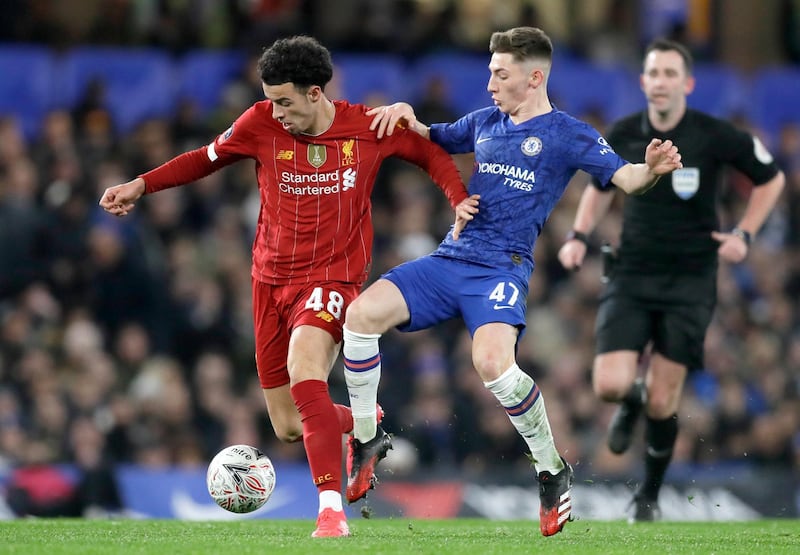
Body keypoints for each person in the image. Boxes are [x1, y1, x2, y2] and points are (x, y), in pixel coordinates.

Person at [98, 35, 473, 538]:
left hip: (331, 281)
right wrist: (140, 184)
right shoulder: (258, 123)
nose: (275, 113)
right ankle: (365, 419)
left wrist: (457, 198)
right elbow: (203, 159)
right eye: (270, 100)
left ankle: (330, 512)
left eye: (285, 102)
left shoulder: (368, 126)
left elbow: (429, 153)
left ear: (316, 94)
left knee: (305, 367)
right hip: (268, 283)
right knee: (288, 425)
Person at [341, 26, 683, 537]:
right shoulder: (484, 121)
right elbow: (435, 136)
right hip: (451, 258)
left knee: (494, 367)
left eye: (501, 74)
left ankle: (550, 468)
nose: (491, 84)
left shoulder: (569, 134)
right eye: (490, 73)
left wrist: (651, 168)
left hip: (502, 268)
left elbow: (628, 178)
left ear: (534, 77)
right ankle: (367, 439)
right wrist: (408, 117)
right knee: (360, 317)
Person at [557, 38, 785, 522]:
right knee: (609, 385)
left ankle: (649, 497)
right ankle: (631, 397)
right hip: (633, 270)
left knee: (666, 398)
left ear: (687, 82)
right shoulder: (622, 132)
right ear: (642, 82)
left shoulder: (715, 134)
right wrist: (579, 234)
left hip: (690, 279)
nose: (660, 82)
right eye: (653, 74)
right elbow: (600, 186)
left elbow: (772, 179)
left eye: (669, 74)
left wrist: (745, 231)